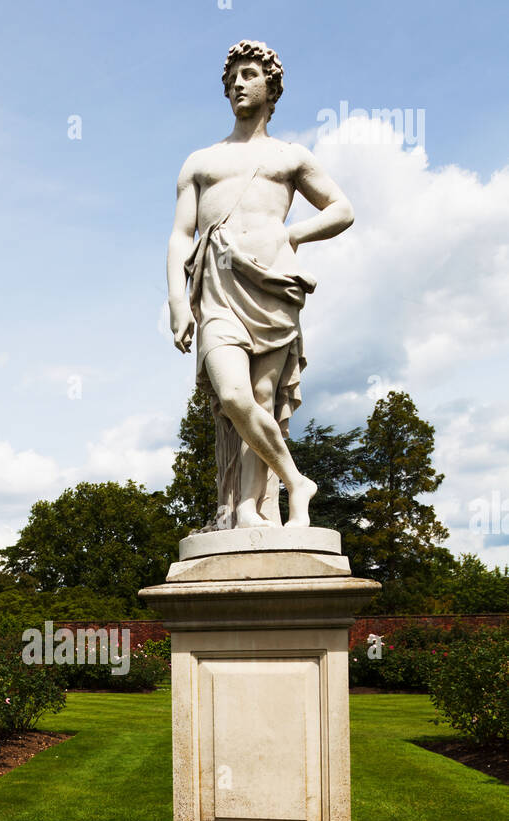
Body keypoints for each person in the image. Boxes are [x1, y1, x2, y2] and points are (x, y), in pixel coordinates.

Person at [167, 39, 354, 529]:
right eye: (231, 79)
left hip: (271, 287)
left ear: (271, 85)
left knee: (263, 398)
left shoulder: (290, 157)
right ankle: (296, 480)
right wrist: (175, 301)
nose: (236, 84)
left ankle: (249, 508)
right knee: (233, 397)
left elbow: (341, 210)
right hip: (217, 291)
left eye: (249, 75)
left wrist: (291, 233)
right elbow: (180, 236)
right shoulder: (201, 162)